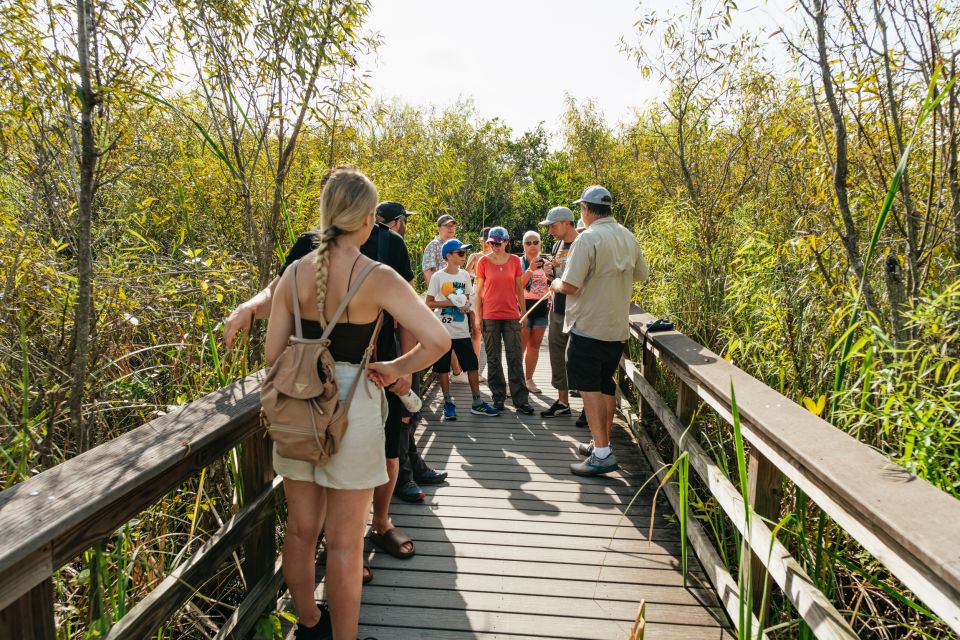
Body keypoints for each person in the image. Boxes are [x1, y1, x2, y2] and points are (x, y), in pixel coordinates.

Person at [264, 167, 448, 640]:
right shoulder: (377, 277)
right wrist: (394, 367)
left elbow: (271, 355)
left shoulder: (293, 273)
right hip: (353, 407)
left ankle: (308, 624)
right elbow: (438, 339)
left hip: (297, 407)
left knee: (302, 532)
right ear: (368, 220)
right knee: (346, 544)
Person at [224, 189, 429, 579]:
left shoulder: (392, 246)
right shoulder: (307, 244)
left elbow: (408, 311)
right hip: (314, 379)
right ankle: (342, 554)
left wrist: (404, 368)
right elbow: (278, 289)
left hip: (375, 368)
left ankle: (380, 525)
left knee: (388, 451)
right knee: (324, 459)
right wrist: (249, 307)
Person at [551, 185, 649, 477]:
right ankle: (599, 443)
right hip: (616, 328)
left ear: (586, 209)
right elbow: (642, 274)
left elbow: (570, 286)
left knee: (589, 389)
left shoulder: (588, 238)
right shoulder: (628, 236)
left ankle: (603, 454)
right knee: (604, 384)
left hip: (588, 326)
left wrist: (555, 284)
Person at [374, 201, 448, 503]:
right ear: (396, 221)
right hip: (386, 346)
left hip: (398, 344)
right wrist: (405, 362)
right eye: (405, 219)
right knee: (401, 414)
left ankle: (412, 466)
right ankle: (403, 476)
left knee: (409, 412)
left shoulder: (388, 244)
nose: (406, 224)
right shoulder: (392, 243)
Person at [426, 238, 500, 420]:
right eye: (460, 253)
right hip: (442, 330)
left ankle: (477, 402)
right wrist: (449, 303)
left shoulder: (465, 276)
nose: (463, 256)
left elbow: (467, 300)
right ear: (448, 256)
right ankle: (448, 403)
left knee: (472, 365)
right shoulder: (438, 277)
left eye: (464, 253)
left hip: (461, 330)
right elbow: (429, 302)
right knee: (443, 368)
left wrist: (466, 307)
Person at [474, 226, 535, 415]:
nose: (495, 246)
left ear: (507, 242)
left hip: (511, 315)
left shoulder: (515, 261)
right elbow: (478, 292)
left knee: (514, 357)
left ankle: (520, 400)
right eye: (491, 243)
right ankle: (498, 397)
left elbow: (519, 289)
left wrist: (523, 312)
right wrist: (477, 316)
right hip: (490, 316)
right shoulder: (483, 262)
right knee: (493, 358)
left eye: (498, 243)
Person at [538, 207, 579, 420]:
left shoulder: (584, 243)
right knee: (556, 353)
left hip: (579, 310)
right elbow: (557, 275)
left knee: (579, 356)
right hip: (558, 307)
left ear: (566, 222)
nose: (550, 231)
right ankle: (563, 401)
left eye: (553, 226)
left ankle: (589, 410)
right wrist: (549, 272)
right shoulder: (557, 245)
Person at [519, 230, 551, 393]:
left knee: (534, 346)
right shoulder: (519, 263)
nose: (532, 246)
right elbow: (518, 286)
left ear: (540, 244)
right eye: (528, 243)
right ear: (523, 245)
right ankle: (516, 381)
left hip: (541, 308)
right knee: (520, 346)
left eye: (535, 242)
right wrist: (530, 269)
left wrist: (551, 274)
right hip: (523, 308)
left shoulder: (547, 262)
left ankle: (529, 379)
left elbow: (554, 285)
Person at [422, 214, 459, 287]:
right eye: (447, 226)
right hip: (439, 291)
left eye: (453, 226)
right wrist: (433, 293)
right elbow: (427, 271)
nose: (451, 228)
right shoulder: (434, 245)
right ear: (438, 229)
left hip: (454, 291)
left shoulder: (456, 245)